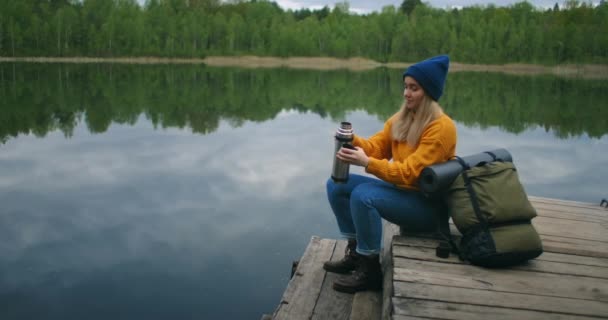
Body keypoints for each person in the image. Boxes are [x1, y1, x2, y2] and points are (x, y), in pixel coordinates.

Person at [324, 55, 457, 293]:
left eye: (414, 88)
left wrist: (367, 163)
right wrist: (351, 140)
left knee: (363, 195)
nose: (407, 93)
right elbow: (378, 147)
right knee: (337, 185)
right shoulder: (402, 119)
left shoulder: (441, 127)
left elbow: (410, 174)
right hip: (402, 194)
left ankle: (370, 270)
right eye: (405, 86)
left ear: (429, 92)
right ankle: (356, 254)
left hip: (427, 208)